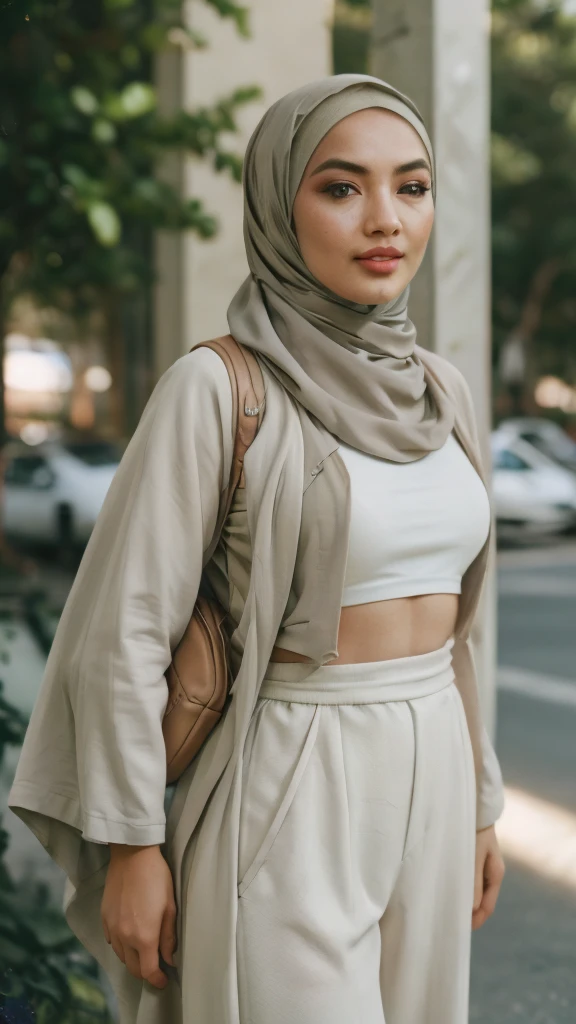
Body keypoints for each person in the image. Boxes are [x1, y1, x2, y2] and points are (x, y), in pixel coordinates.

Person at [9, 74, 505, 1024]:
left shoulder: (442, 392)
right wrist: (132, 846)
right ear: (280, 204)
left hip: (434, 760)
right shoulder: (217, 388)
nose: (384, 220)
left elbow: (461, 631)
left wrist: (480, 799)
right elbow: (127, 632)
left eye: (412, 186)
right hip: (292, 768)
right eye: (340, 186)